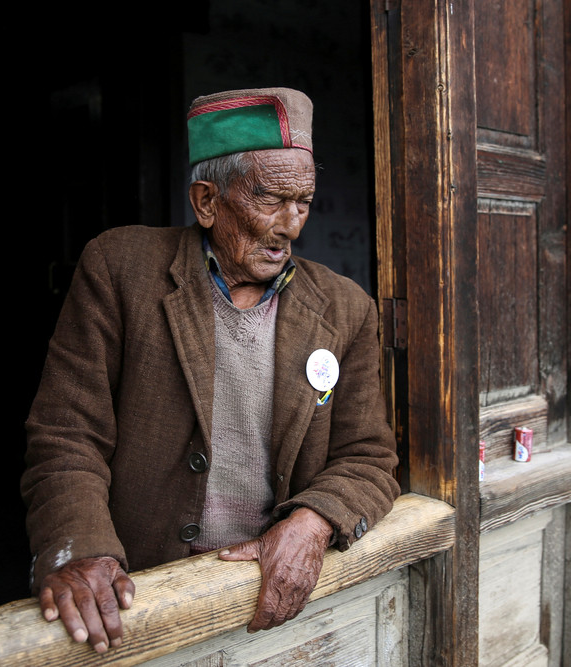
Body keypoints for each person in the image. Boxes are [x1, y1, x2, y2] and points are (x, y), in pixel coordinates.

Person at [21, 87, 400, 654]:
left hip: (271, 597)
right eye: (271, 199)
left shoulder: (346, 308)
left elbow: (369, 458)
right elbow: (67, 435)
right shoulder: (122, 269)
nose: (291, 226)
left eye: (304, 202)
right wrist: (81, 550)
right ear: (206, 201)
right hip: (145, 595)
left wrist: (315, 521)